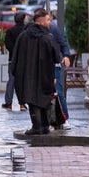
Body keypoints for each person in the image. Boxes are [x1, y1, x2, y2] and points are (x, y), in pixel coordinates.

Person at [10, 7, 62, 136]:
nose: (50, 23)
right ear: (41, 21)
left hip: (26, 76)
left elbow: (15, 57)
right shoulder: (47, 37)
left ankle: (37, 126)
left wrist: (16, 72)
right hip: (45, 76)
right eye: (48, 20)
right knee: (43, 99)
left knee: (32, 99)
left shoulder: (23, 36)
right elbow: (57, 57)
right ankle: (43, 126)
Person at [48, 11, 73, 129]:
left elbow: (63, 44)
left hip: (54, 65)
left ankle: (64, 119)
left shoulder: (53, 29)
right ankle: (49, 120)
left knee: (59, 92)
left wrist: (66, 55)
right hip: (45, 66)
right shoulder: (37, 31)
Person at [2, 12, 27, 111]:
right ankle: (22, 104)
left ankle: (8, 103)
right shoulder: (27, 31)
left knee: (11, 81)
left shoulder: (10, 31)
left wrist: (15, 52)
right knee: (23, 82)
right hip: (25, 60)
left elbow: (8, 46)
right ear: (24, 19)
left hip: (13, 60)